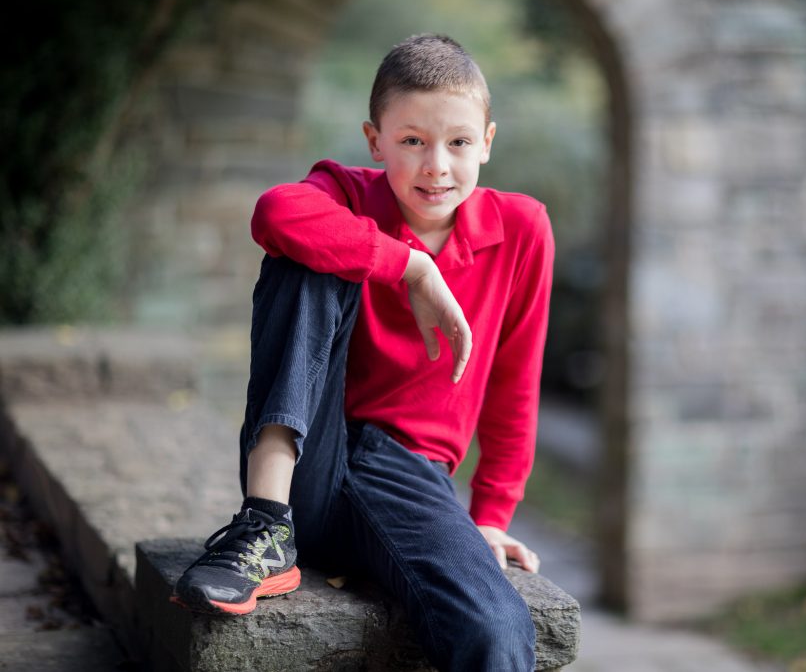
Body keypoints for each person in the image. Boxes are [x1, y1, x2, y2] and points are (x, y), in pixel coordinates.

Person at [170, 34, 554, 671]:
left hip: (408, 480)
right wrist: (411, 268)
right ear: (375, 141)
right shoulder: (345, 193)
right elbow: (275, 212)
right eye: (411, 141)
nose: (437, 165)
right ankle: (263, 525)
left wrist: (490, 515)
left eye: (458, 143)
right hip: (306, 469)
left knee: (497, 629)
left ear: (488, 140)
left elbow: (517, 380)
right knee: (309, 252)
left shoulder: (521, 229)